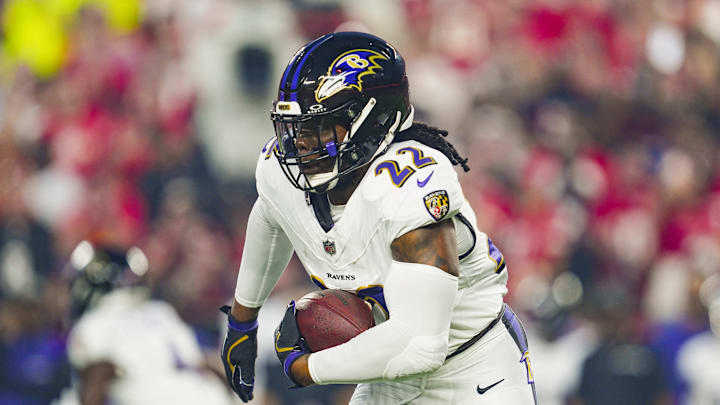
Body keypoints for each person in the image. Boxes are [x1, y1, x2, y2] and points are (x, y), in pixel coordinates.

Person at [221, 31, 537, 404]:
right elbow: (271, 216)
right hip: (387, 375)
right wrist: (243, 320)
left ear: (373, 120)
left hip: (473, 370)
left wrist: (307, 368)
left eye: (320, 126)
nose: (301, 142)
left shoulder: (409, 186)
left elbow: (420, 345)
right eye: (296, 127)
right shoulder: (282, 171)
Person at [55, 241, 233, 405]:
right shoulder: (161, 311)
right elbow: (203, 365)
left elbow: (97, 377)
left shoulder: (92, 324)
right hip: (205, 395)